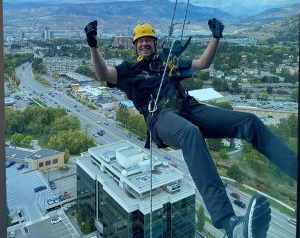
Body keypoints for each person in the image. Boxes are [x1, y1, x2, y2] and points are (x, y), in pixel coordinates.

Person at [84, 19, 297, 238]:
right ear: (135, 46)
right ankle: (230, 222)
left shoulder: (169, 64)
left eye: (148, 40)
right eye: (140, 41)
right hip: (160, 117)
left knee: (248, 121)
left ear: (154, 44)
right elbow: (103, 74)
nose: (145, 44)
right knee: (189, 133)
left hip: (189, 107)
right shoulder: (129, 70)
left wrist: (216, 38)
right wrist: (93, 46)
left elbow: (203, 63)